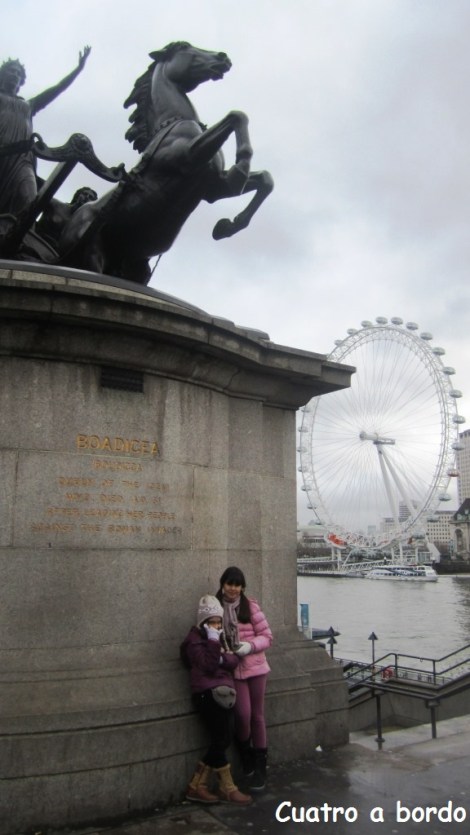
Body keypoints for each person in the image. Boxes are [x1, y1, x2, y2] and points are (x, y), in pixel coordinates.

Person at [0, 47, 91, 217]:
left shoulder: (29, 105)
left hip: (22, 160)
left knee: (29, 202)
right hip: (1, 152)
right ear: (2, 75)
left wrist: (78, 69)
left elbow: (58, 88)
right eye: (11, 71)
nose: (14, 74)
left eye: (18, 73)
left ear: (21, 82)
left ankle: (22, 240)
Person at [180, 594, 252, 806]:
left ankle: (196, 785)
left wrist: (220, 656)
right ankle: (227, 788)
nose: (216, 625)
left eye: (218, 622)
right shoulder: (194, 642)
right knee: (222, 737)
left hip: (223, 692)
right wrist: (214, 643)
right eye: (212, 622)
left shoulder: (217, 637)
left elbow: (232, 659)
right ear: (203, 622)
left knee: (224, 737)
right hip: (206, 693)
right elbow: (210, 665)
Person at [216, 566, 273, 791]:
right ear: (223, 584)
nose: (233, 588)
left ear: (242, 587)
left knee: (257, 716)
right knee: (243, 715)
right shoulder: (215, 608)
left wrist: (249, 646)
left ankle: (260, 766)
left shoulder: (251, 607)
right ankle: (245, 755)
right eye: (229, 583)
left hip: (256, 667)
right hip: (233, 669)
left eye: (237, 584)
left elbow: (267, 637)